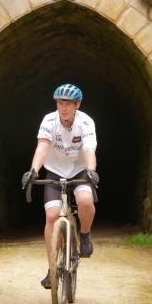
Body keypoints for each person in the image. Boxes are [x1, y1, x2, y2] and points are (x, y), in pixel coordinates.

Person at [21, 83, 99, 289]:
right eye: (59, 103)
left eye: (67, 104)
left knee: (84, 201)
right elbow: (43, 146)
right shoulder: (49, 120)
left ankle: (84, 234)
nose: (63, 108)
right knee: (52, 215)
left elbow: (90, 149)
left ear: (77, 105)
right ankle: (52, 268)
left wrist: (91, 170)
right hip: (55, 171)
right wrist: (34, 170)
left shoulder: (86, 122)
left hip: (79, 169)